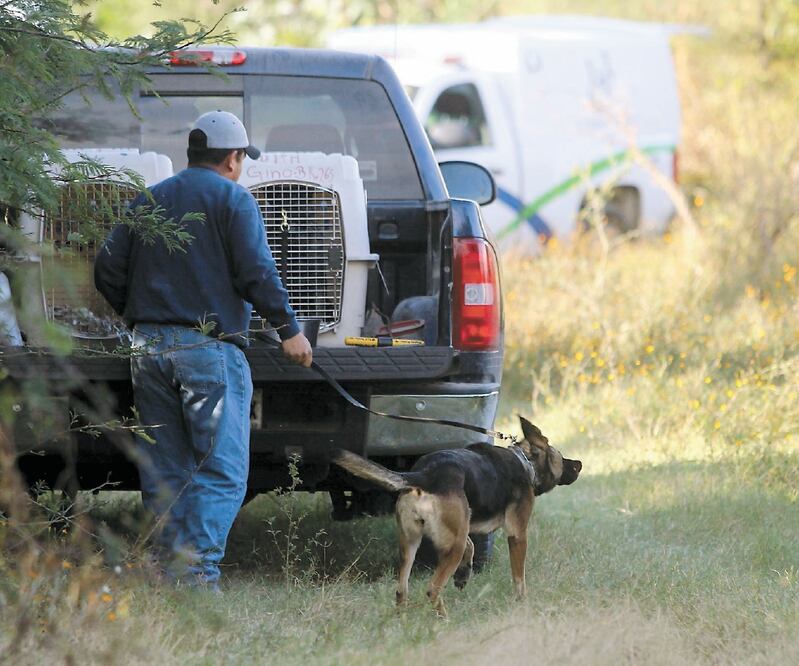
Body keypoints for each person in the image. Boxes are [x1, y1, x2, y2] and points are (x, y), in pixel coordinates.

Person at [94, 110, 312, 589]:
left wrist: (139, 315)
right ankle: (194, 578)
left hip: (147, 349)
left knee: (165, 467)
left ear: (191, 153)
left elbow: (106, 269)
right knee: (221, 470)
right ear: (233, 158)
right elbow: (257, 271)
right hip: (208, 351)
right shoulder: (233, 199)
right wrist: (289, 329)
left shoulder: (149, 198)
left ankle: (163, 571)